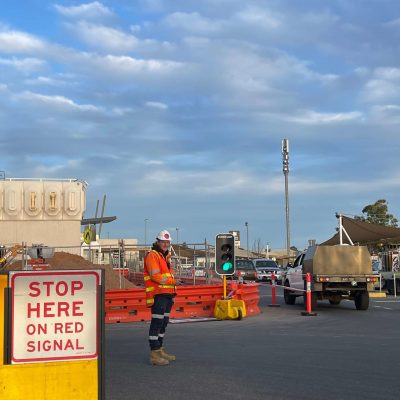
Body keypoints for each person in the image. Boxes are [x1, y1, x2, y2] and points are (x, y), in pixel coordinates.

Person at [144, 229, 177, 366]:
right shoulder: (153, 255)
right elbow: (155, 276)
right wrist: (172, 282)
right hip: (158, 294)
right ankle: (154, 353)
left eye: (167, 242)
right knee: (157, 323)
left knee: (163, 323)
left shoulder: (164, 256)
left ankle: (160, 348)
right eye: (163, 242)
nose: (165, 244)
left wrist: (173, 287)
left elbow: (167, 276)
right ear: (158, 242)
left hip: (167, 295)